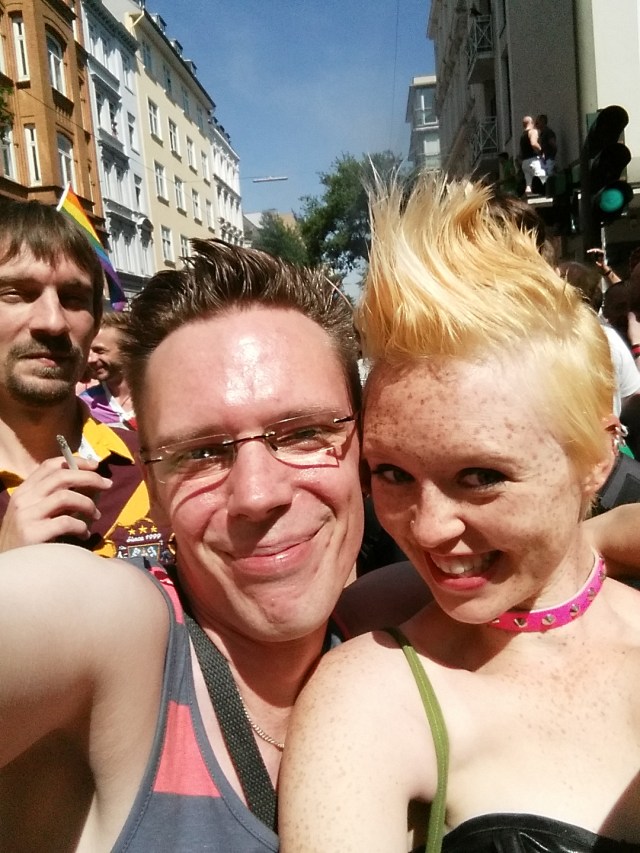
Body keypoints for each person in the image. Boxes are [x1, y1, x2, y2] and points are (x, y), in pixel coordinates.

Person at [279, 177, 640, 852]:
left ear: (598, 455)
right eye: (392, 473)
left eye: (480, 476)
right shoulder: (367, 697)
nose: (427, 526)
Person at [0, 196, 170, 563]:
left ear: (95, 320)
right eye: (16, 293)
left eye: (74, 298)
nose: (53, 321)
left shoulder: (156, 465)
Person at [81, 311, 137, 429]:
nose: (90, 359)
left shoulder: (156, 398)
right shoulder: (85, 405)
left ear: (127, 350)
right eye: (88, 351)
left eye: (99, 351)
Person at [518, 115, 545, 194]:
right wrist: (541, 150)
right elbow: (533, 143)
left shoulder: (522, 136)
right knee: (541, 176)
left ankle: (528, 198)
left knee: (528, 185)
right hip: (533, 161)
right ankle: (543, 195)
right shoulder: (532, 131)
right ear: (532, 123)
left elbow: (520, 152)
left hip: (525, 163)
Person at [535, 113, 557, 177]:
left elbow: (553, 144)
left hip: (549, 159)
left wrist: (551, 157)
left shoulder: (548, 132)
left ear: (542, 122)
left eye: (538, 122)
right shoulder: (542, 134)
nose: (536, 124)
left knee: (549, 177)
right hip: (544, 160)